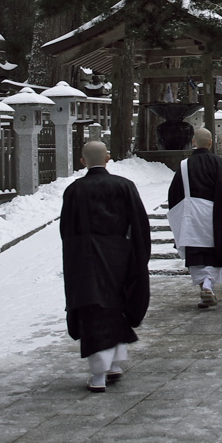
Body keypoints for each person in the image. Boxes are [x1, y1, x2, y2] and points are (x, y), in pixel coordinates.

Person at [60, 140, 151, 393]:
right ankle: (112, 365)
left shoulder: (74, 190)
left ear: (82, 162)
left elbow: (66, 230)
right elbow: (139, 224)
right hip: (119, 254)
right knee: (116, 306)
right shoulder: (124, 186)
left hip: (84, 258)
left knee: (94, 309)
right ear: (108, 158)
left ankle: (101, 372)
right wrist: (138, 256)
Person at [167, 127, 222, 309]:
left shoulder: (184, 165)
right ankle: (209, 284)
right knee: (214, 250)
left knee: (195, 253)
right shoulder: (220, 163)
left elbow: (174, 193)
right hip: (215, 214)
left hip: (191, 215)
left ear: (193, 142)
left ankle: (204, 286)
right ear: (210, 143)